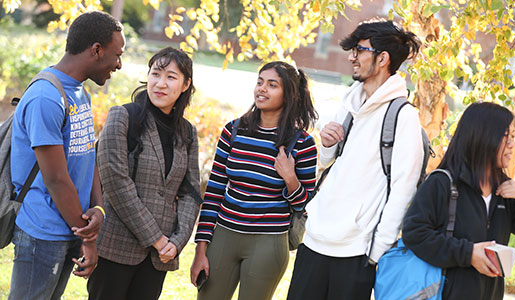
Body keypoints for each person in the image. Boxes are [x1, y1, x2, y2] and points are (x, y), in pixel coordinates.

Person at [286, 19, 424, 300]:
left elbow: (403, 188)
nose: (351, 57)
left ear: (382, 58)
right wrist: (326, 146)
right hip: (314, 240)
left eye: (359, 50)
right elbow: (323, 168)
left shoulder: (403, 116)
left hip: (357, 251)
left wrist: (377, 250)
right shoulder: (348, 104)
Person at [8, 11, 125, 300]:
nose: (119, 64)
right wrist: (88, 237)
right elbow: (56, 180)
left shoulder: (78, 92)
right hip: (42, 233)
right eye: (117, 54)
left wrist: (98, 209)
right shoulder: (47, 97)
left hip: (71, 225)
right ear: (97, 50)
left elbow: (88, 155)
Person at [190, 61, 318, 300]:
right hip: (224, 236)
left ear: (289, 93)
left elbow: (304, 206)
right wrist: (201, 249)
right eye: (260, 82)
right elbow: (214, 193)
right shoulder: (233, 131)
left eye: (272, 85)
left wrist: (290, 179)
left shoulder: (302, 144)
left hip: (268, 243)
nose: (262, 89)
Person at [87, 47, 201, 300]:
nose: (160, 83)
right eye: (155, 74)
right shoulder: (123, 116)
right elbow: (116, 184)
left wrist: (177, 241)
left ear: (185, 85)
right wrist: (157, 239)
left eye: (171, 77)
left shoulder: (187, 133)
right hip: (116, 247)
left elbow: (191, 192)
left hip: (158, 258)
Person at [403, 102, 515, 300]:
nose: (512, 144)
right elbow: (414, 233)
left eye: (514, 137)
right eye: (507, 137)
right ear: (484, 136)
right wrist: (468, 254)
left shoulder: (507, 191)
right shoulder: (442, 183)